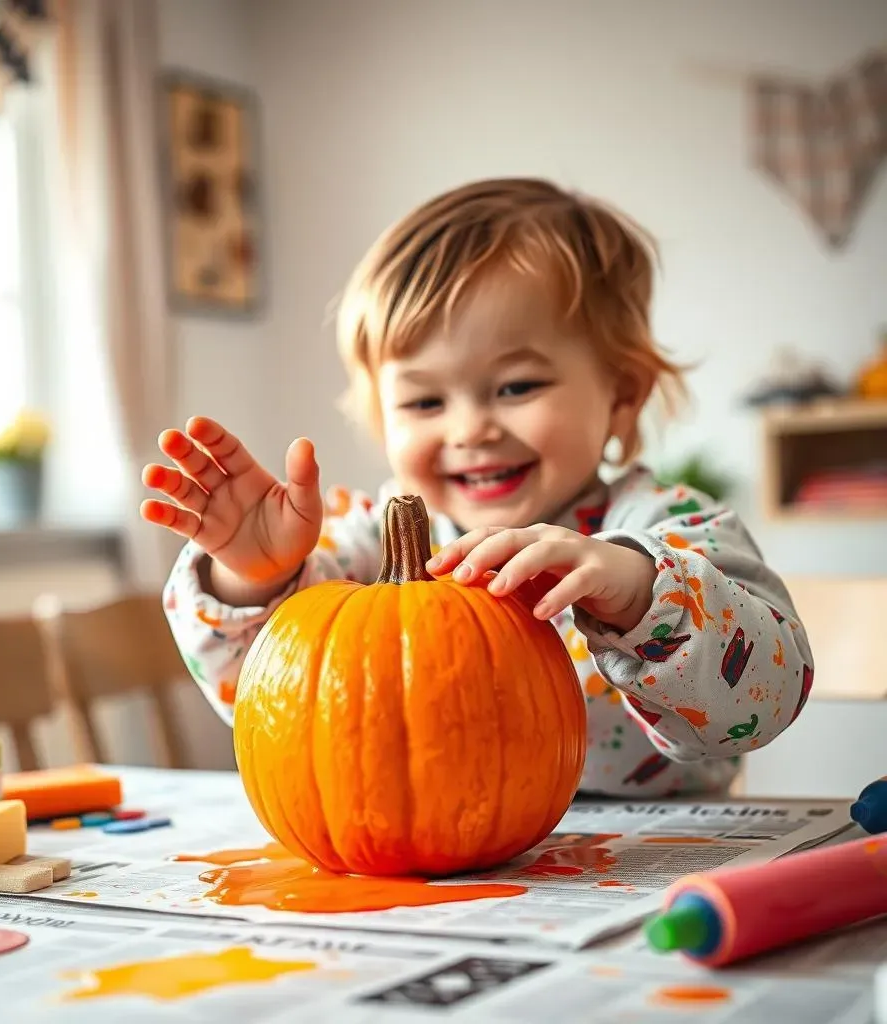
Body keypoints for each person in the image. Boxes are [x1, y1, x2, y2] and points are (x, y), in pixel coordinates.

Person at [140, 177, 813, 797]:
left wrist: (640, 594)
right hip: (440, 858)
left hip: (656, 860)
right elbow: (271, 702)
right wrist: (255, 580)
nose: (469, 430)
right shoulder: (369, 545)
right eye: (425, 402)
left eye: (517, 387)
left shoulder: (672, 530)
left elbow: (768, 700)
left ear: (621, 395)